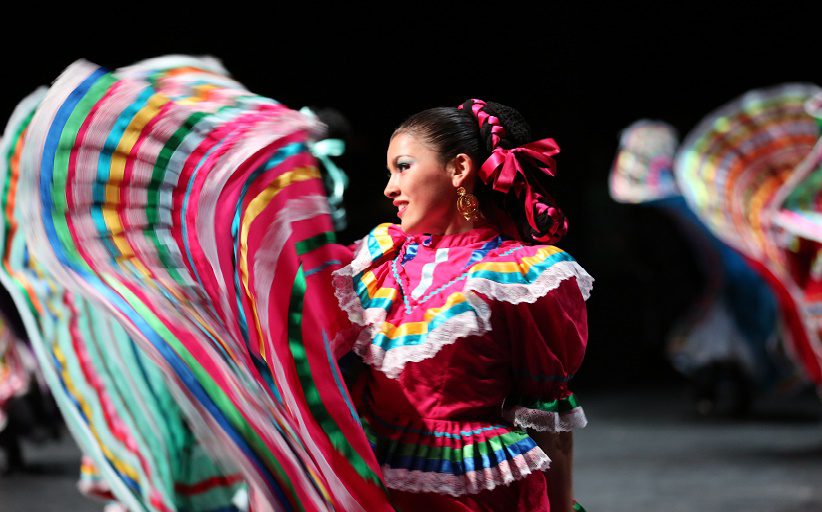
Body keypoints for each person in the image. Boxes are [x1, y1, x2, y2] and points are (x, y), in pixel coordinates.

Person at [332, 99, 593, 511]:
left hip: (470, 493)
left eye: (403, 167)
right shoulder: (377, 259)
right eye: (390, 172)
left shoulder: (518, 275)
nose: (389, 188)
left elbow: (548, 415)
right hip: (374, 485)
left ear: (458, 169)